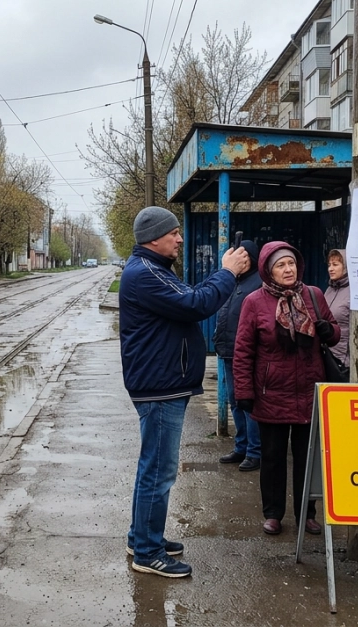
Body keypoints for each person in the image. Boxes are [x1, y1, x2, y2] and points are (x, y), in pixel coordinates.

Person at [119, 206, 250, 578]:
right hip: (159, 386)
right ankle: (147, 552)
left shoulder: (152, 270)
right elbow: (197, 303)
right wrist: (227, 271)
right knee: (158, 472)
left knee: (155, 468)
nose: (180, 238)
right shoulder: (145, 274)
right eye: (173, 232)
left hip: (161, 382)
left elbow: (191, 297)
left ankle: (142, 536)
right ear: (153, 237)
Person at [233, 241, 339, 537]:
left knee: (308, 457)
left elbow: (333, 329)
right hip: (271, 393)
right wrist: (244, 390)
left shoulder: (313, 295)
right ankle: (273, 514)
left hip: (309, 390)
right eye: (280, 265)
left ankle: (307, 513)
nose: (288, 269)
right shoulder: (254, 302)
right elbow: (243, 351)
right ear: (268, 270)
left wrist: (330, 331)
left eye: (291, 263)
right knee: (273, 457)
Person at [213, 239, 263, 472]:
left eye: (243, 255)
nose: (238, 260)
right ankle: (241, 446)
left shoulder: (259, 283)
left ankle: (255, 451)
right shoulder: (233, 281)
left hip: (247, 355)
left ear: (251, 258)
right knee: (234, 400)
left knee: (248, 402)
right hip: (228, 351)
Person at [325, 249, 351, 365]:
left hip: (344, 359)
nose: (330, 269)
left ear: (346, 267)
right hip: (327, 355)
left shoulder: (354, 292)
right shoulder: (329, 290)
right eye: (329, 265)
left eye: (335, 265)